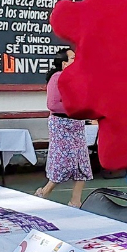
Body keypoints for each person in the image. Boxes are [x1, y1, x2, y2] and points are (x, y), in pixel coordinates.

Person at [36, 47, 93, 207]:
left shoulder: (78, 78)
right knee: (63, 161)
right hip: (62, 126)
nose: (76, 60)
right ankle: (44, 192)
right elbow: (52, 104)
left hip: (77, 125)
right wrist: (75, 108)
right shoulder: (57, 77)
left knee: (81, 161)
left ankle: (76, 201)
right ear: (64, 63)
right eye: (72, 58)